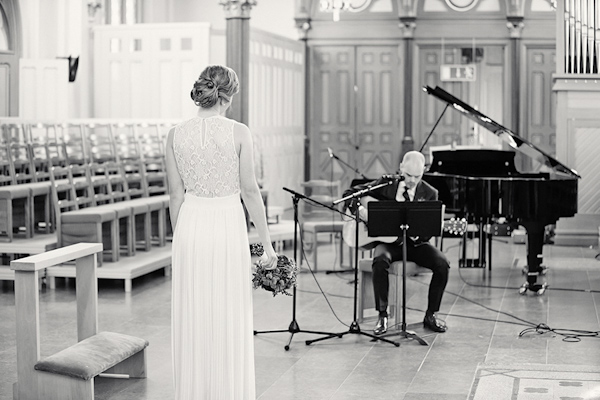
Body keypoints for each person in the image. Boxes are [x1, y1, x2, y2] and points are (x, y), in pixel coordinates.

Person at [166, 65, 278, 399]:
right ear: (229, 97)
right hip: (227, 224)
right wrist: (267, 246)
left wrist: (179, 240)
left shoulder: (175, 134)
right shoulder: (239, 131)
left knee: (194, 315)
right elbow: (250, 192)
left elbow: (174, 195)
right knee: (228, 315)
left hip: (190, 225)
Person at [344, 151, 449, 335]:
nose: (412, 181)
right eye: (408, 175)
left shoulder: (430, 193)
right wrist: (360, 210)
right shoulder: (386, 185)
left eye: (417, 176)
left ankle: (431, 314)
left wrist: (421, 234)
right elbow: (350, 194)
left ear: (423, 172)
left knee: (442, 263)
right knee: (380, 260)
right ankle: (382, 315)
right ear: (401, 168)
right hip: (390, 244)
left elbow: (427, 233)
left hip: (414, 245)